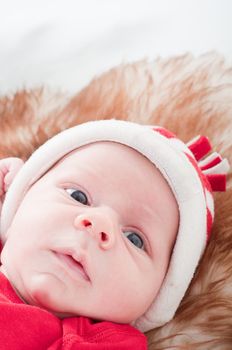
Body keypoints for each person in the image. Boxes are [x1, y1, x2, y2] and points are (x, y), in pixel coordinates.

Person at [0, 119, 229, 350]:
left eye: (134, 239)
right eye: (77, 196)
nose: (100, 224)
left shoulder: (105, 343)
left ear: (158, 297)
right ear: (19, 201)